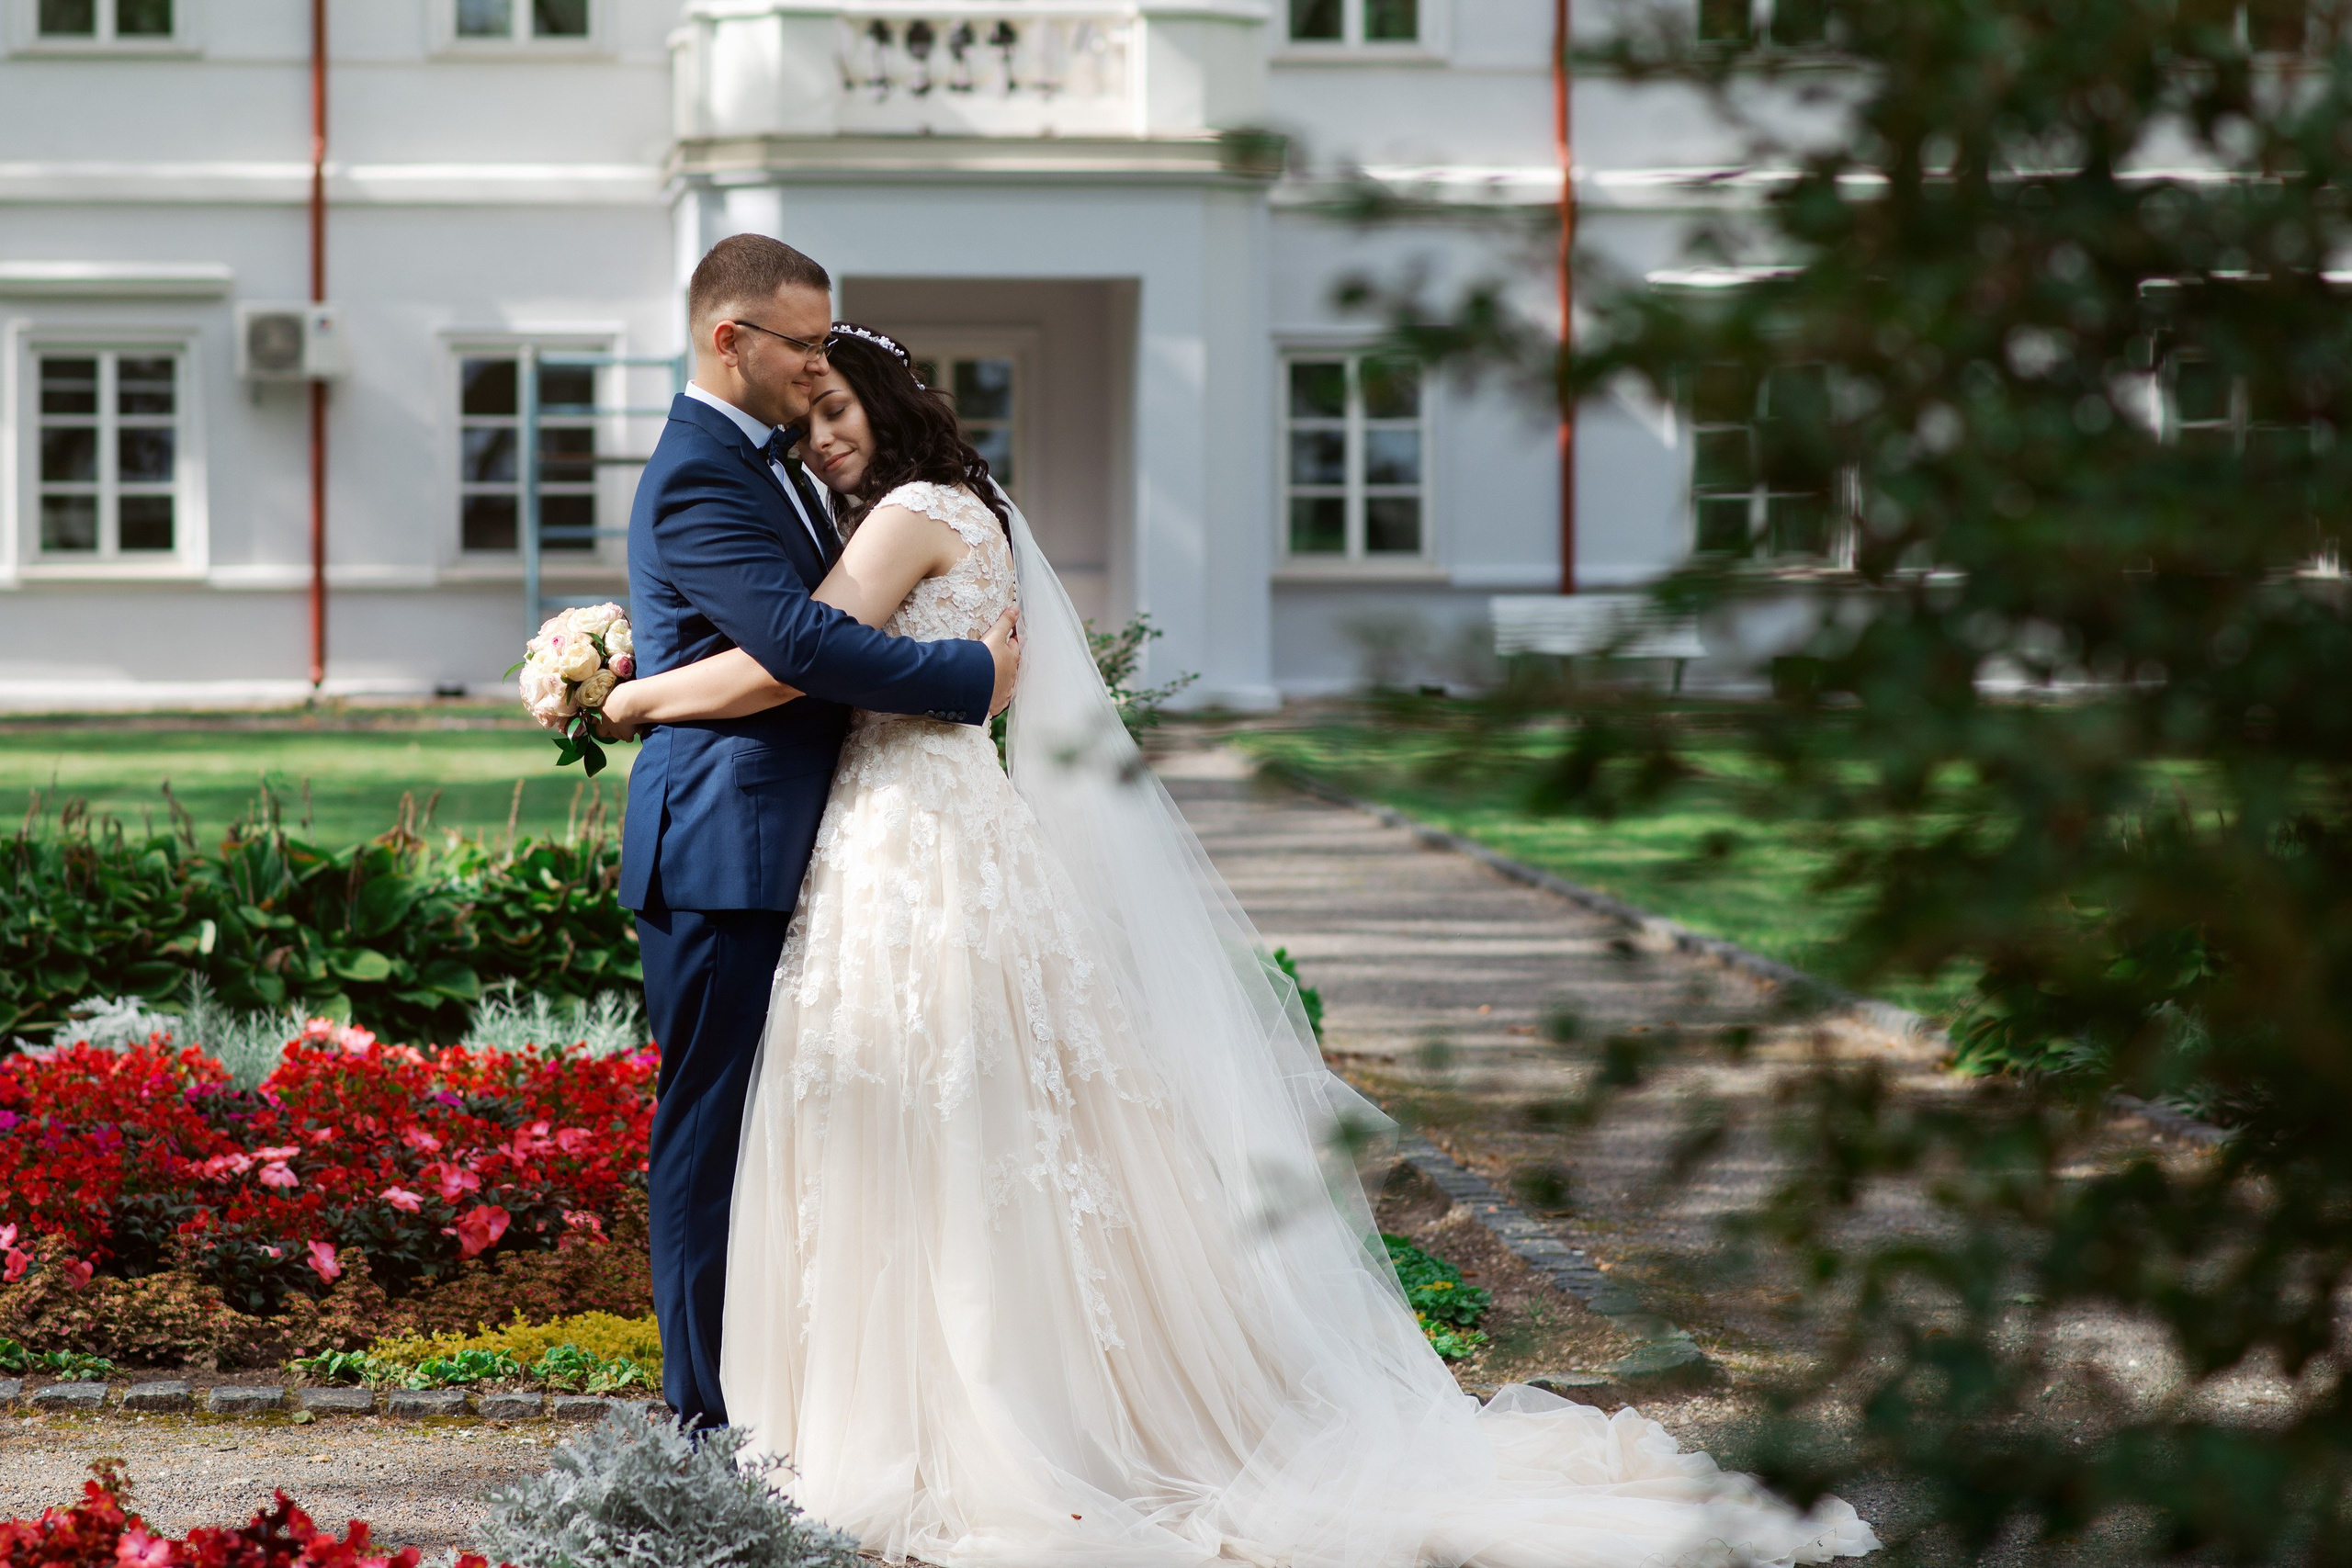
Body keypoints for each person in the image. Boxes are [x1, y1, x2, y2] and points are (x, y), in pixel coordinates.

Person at [600, 321, 1879, 1567]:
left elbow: (791, 659)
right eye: (811, 415)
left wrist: (633, 692)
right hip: (950, 828)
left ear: (891, 409)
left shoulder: (901, 518)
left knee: (925, 1102)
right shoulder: (968, 509)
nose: (822, 434)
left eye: (839, 410)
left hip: (909, 840)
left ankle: (936, 1411)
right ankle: (1014, 1390)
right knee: (976, 1110)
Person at [613, 234, 1021, 1436]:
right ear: (729, 339)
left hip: (800, 835)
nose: (815, 364)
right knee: (711, 1132)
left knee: (782, 1132)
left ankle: (782, 1398)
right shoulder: (699, 473)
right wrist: (967, 676)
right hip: (723, 845)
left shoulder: (778, 461)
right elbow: (797, 646)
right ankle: (701, 1421)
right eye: (801, 345)